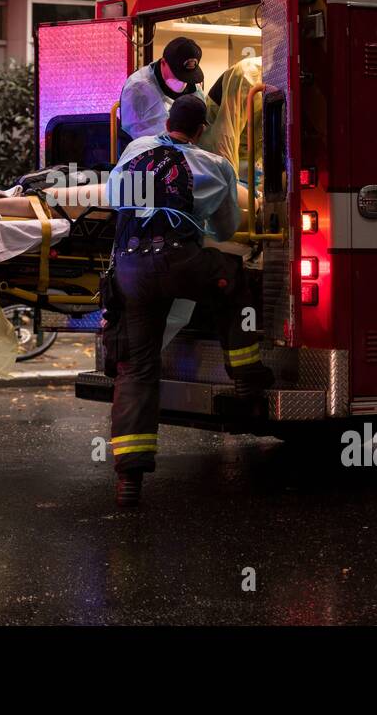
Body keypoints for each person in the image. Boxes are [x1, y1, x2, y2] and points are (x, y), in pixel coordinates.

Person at [104, 95, 273, 507]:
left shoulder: (135, 149)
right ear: (201, 130)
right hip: (180, 260)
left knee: (138, 369)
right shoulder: (215, 166)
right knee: (232, 282)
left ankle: (130, 474)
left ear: (166, 121)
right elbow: (228, 226)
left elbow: (114, 197)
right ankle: (247, 379)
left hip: (130, 271)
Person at [118, 37, 207, 142]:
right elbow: (136, 134)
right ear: (163, 63)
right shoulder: (138, 88)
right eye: (177, 75)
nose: (183, 81)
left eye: (187, 77)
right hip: (147, 149)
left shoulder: (193, 87)